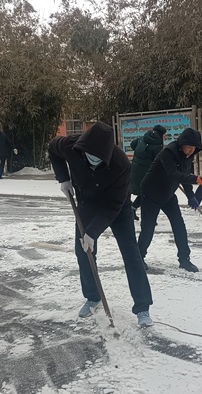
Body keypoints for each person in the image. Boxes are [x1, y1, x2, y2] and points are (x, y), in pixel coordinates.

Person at [48, 121, 154, 327]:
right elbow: (53, 148)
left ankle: (142, 308)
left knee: (132, 254)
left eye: (99, 159)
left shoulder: (121, 164)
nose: (93, 161)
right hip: (87, 204)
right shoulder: (71, 145)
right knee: (83, 251)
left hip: (117, 208)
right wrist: (63, 178)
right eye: (90, 156)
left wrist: (93, 232)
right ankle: (93, 297)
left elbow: (112, 205)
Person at [137, 127, 202, 273]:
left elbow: (185, 175)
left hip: (168, 194)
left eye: (193, 148)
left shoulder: (187, 156)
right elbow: (174, 174)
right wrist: (196, 179)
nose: (191, 151)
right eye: (189, 147)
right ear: (182, 143)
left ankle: (184, 260)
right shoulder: (168, 153)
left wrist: (191, 196)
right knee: (148, 228)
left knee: (179, 225)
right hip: (151, 193)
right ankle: (138, 258)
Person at [129, 125, 167, 220]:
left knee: (144, 192)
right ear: (160, 134)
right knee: (148, 193)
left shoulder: (142, 138)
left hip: (135, 169)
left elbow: (132, 144)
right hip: (147, 172)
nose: (165, 137)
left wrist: (140, 156)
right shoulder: (157, 145)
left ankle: (133, 209)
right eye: (164, 135)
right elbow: (158, 161)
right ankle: (148, 218)